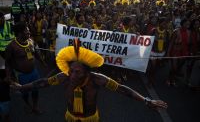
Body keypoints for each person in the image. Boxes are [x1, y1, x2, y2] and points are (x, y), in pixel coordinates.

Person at [13, 39, 168, 122]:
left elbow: (122, 89)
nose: (72, 75)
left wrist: (147, 100)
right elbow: (42, 83)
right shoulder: (64, 76)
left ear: (87, 72)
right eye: (71, 70)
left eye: (77, 72)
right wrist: (21, 88)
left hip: (90, 119)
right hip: (71, 117)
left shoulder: (98, 80)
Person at [5, 22, 43, 114]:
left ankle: (35, 106)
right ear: (19, 33)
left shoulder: (30, 41)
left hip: (34, 72)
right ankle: (27, 104)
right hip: (21, 75)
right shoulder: (11, 46)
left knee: (35, 90)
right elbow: (8, 63)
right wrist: (8, 76)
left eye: (28, 31)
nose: (29, 33)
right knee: (25, 93)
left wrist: (43, 62)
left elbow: (36, 53)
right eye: (26, 31)